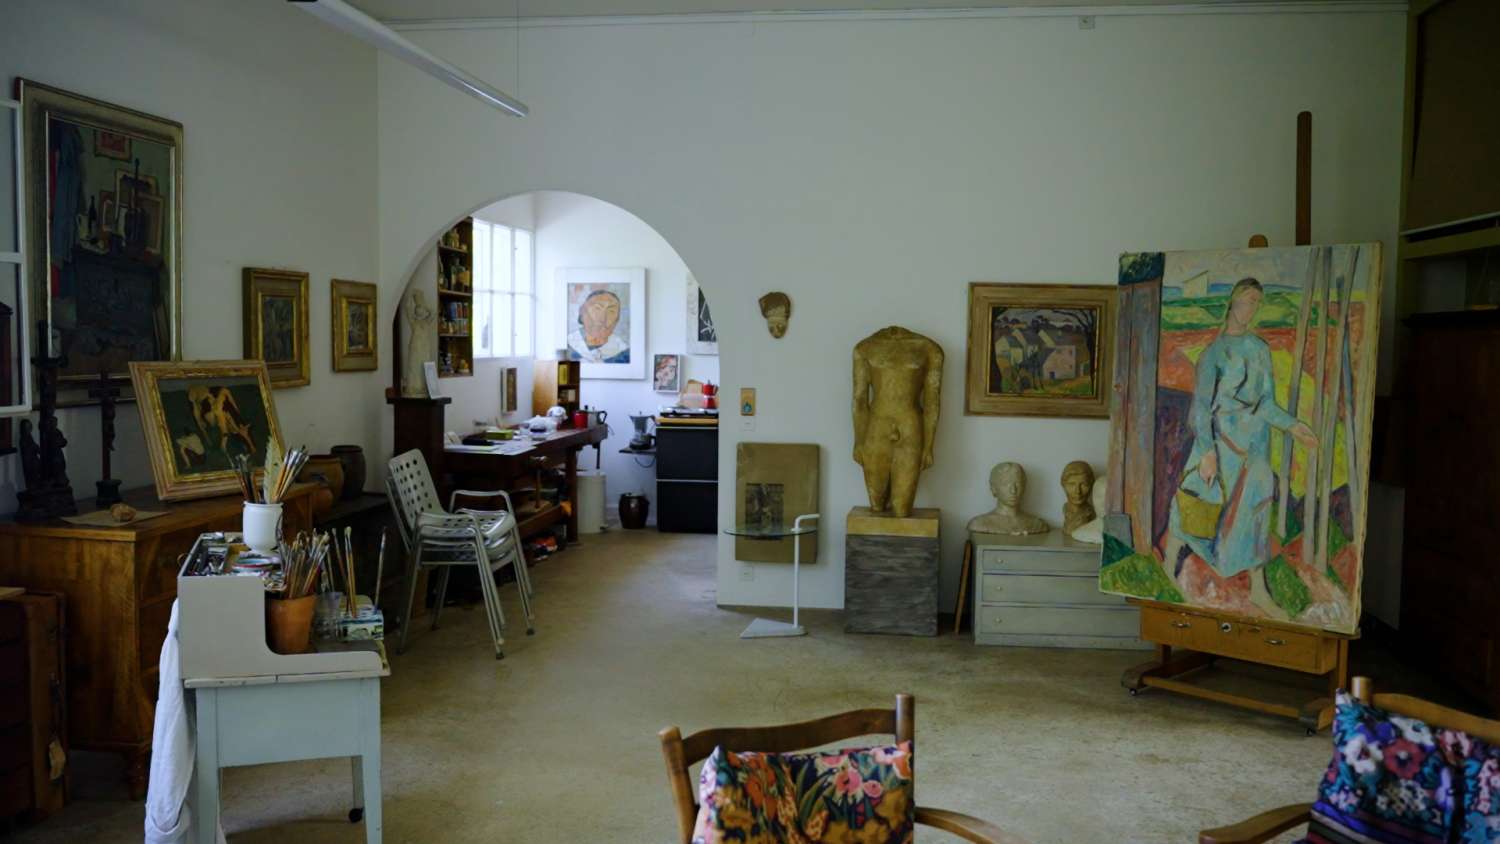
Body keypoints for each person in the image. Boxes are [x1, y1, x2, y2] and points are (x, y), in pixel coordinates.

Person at [1165, 277, 1317, 619]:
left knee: (1255, 516)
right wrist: (1207, 452)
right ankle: (1167, 567)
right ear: (1232, 302)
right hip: (1219, 445)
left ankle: (1259, 591)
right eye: (1247, 300)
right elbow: (1201, 409)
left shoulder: (1260, 349)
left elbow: (1266, 403)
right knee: (1193, 508)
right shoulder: (1214, 353)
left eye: (1256, 302)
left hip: (1255, 447)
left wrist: (1294, 426)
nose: (1251, 308)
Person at [567, 289, 629, 363]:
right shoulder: (567, 344)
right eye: (597, 308)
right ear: (582, 311)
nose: (603, 318)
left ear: (617, 319)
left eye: (611, 311)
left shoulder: (624, 353)